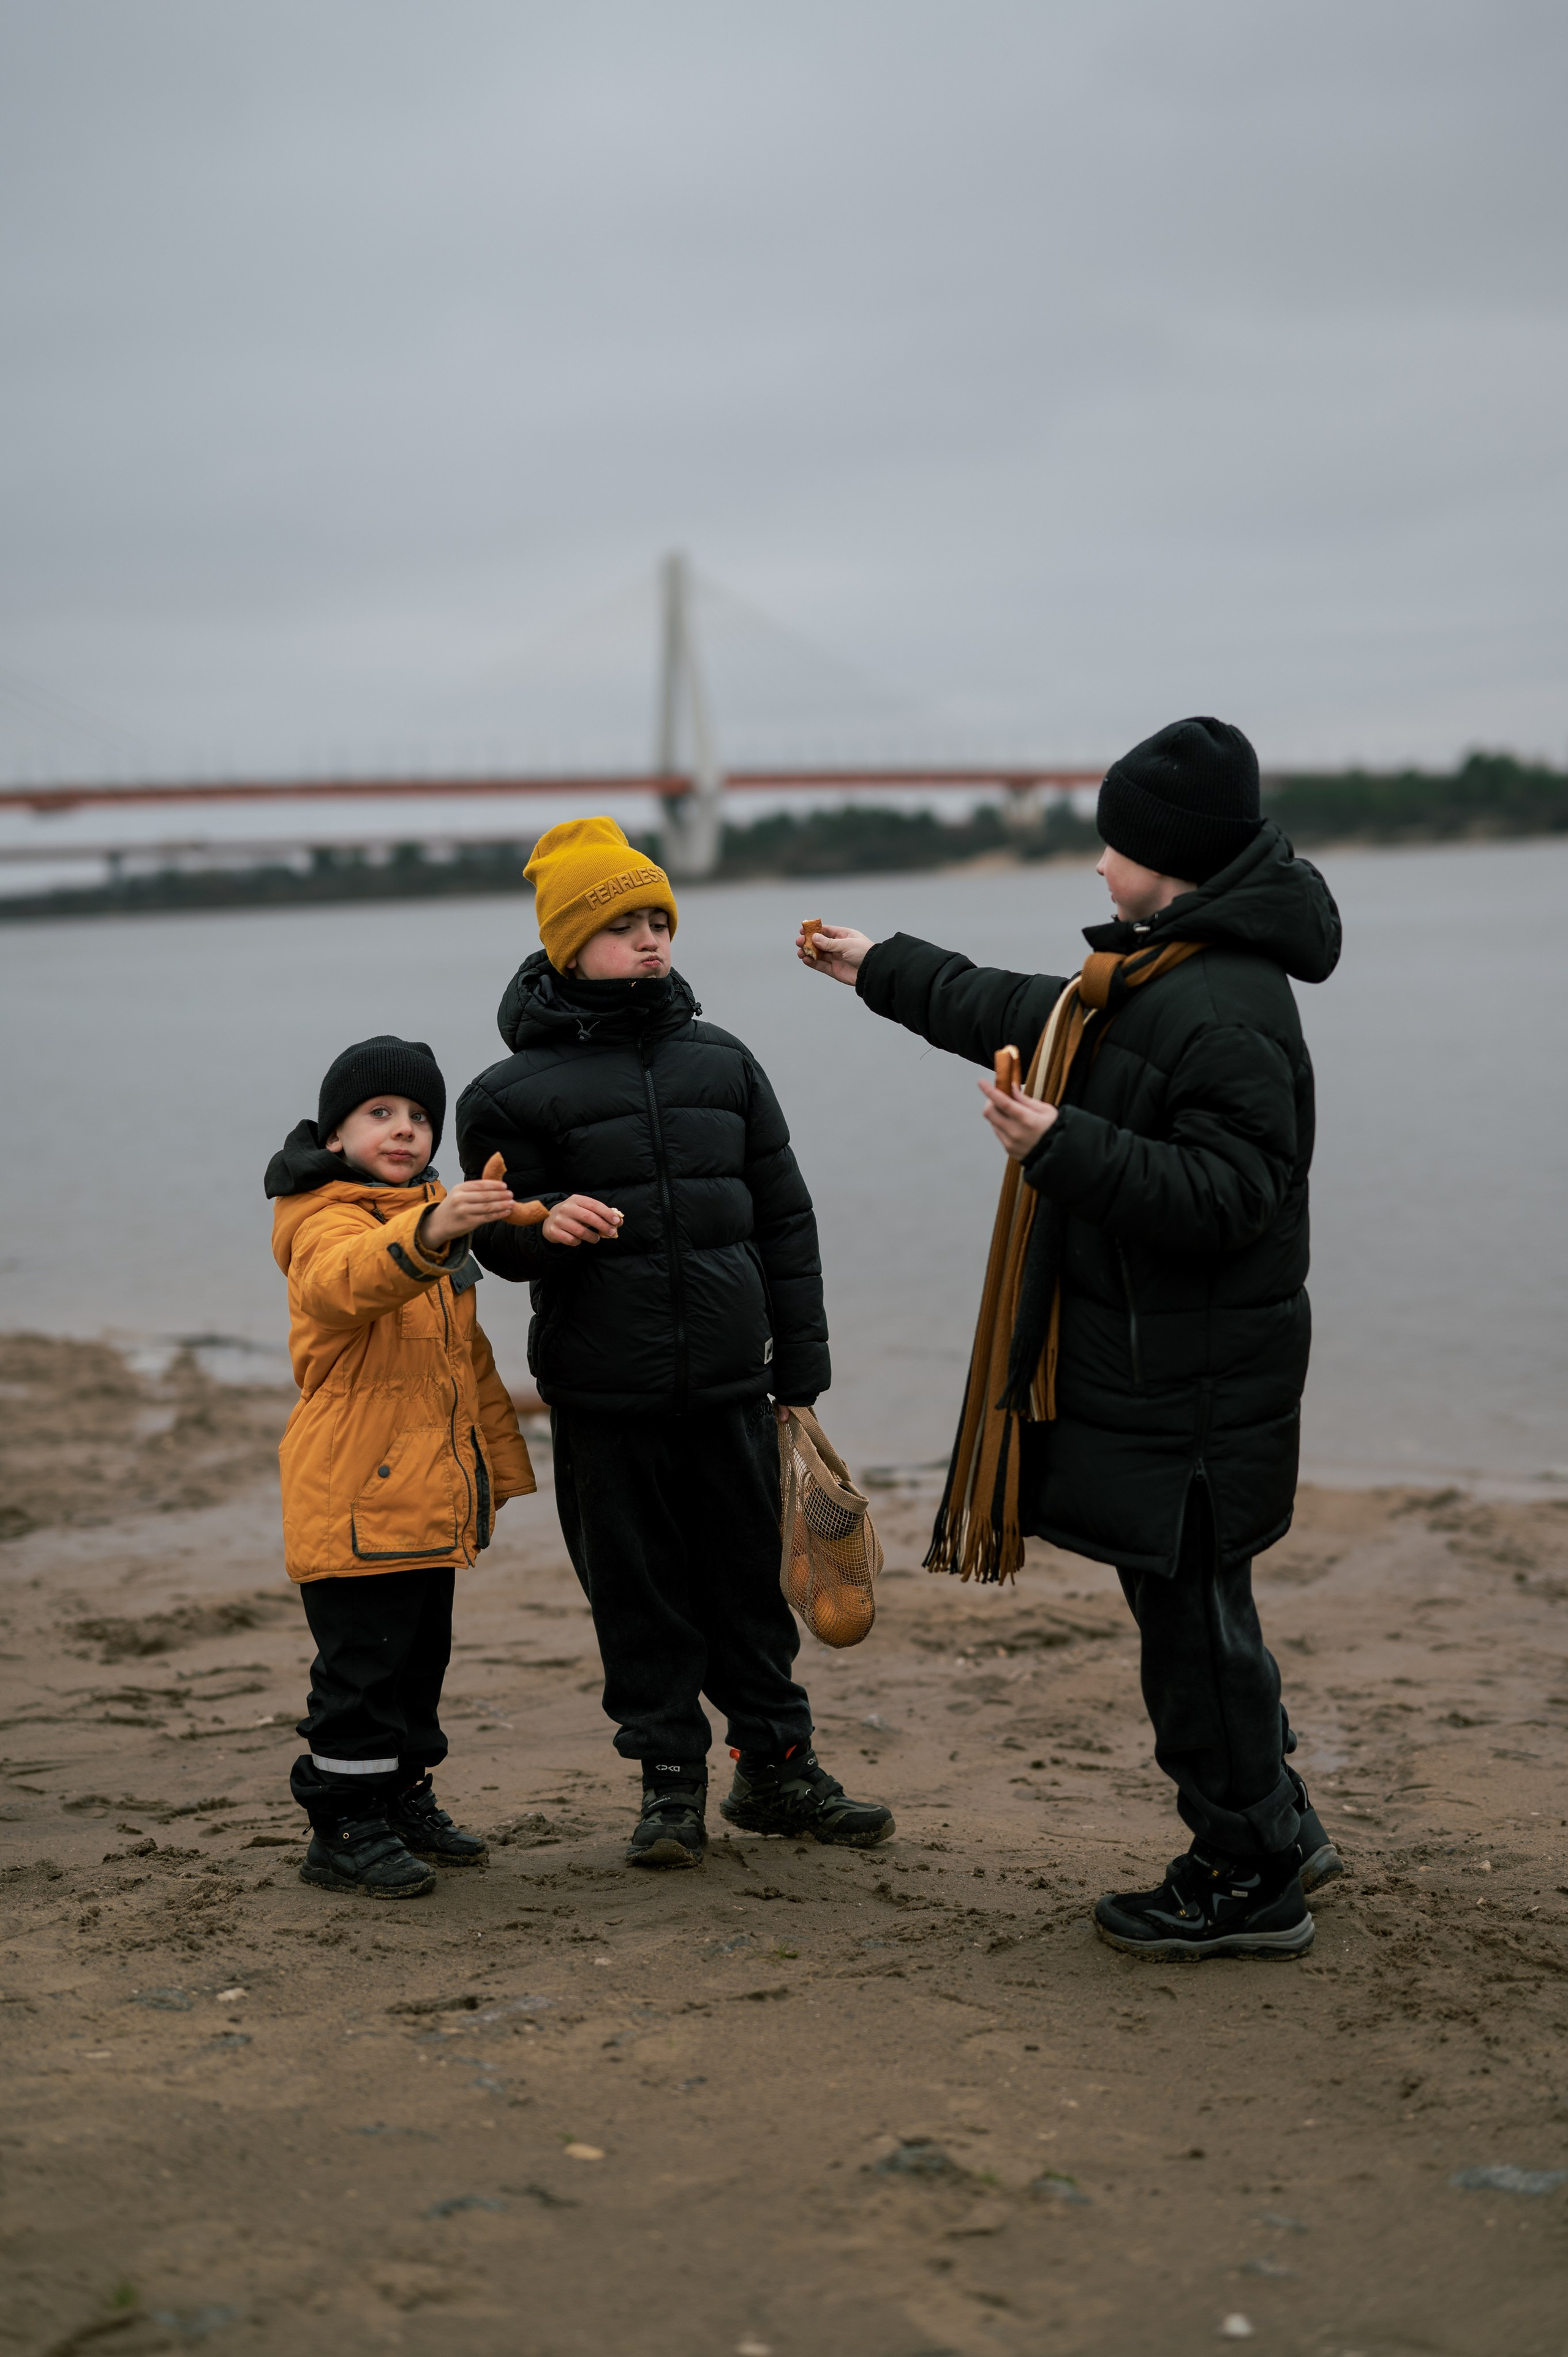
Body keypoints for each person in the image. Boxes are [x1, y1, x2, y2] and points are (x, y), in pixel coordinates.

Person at [799, 718, 1344, 1958]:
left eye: (1114, 845)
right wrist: (878, 965)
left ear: (1170, 859)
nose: (1098, 865)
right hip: (1174, 1375)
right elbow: (1023, 1007)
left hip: (1192, 1387)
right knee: (1203, 1621)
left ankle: (1247, 1877)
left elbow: (1234, 1198)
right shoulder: (1164, 974)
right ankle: (1279, 1825)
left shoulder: (1221, 1003)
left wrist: (1062, 1145)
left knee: (1195, 1642)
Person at [455, 815, 892, 1867]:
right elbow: (492, 1242)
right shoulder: (504, 1095)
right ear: (571, 945)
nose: (650, 940)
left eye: (660, 921)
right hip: (604, 1397)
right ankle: (668, 1786)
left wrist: (801, 1370)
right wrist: (541, 1224)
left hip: (734, 1386)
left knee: (750, 1587)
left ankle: (776, 1770)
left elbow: (786, 1222)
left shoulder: (726, 1062)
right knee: (639, 1598)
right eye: (624, 927)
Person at [266, 1035, 535, 1898]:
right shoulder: (324, 1220)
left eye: (421, 1116)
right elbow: (345, 1283)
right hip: (353, 1497)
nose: (406, 1128)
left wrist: (494, 1470)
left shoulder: (432, 1216)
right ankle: (343, 1827)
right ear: (335, 1136)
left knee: (419, 1667)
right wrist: (433, 1229)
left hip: (425, 1499)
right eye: (380, 1113)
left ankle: (402, 1798)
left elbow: (466, 1369)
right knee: (361, 1677)